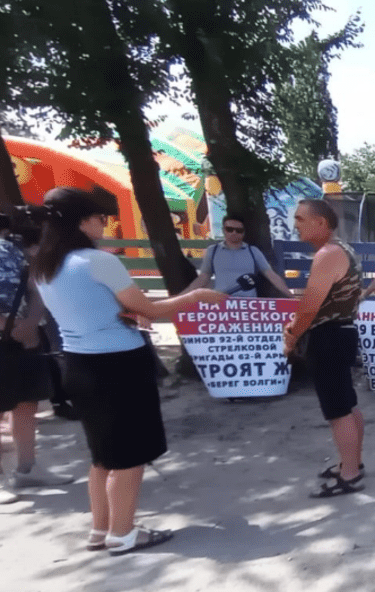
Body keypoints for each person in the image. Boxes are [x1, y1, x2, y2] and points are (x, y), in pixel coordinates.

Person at [32, 187, 226, 554]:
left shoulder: (45, 265)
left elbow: (96, 310)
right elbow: (149, 309)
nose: (103, 224)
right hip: (118, 364)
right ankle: (124, 534)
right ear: (83, 221)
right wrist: (195, 297)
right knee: (130, 457)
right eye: (99, 218)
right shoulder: (97, 261)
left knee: (102, 455)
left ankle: (100, 529)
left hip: (78, 363)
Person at [283, 199, 367, 498]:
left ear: (320, 223)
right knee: (347, 403)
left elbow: (309, 306)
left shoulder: (328, 255)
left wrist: (291, 335)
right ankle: (352, 462)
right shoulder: (342, 249)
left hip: (328, 336)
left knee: (337, 410)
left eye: (301, 218)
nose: (296, 224)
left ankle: (349, 475)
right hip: (342, 333)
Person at [1, 214, 72, 503]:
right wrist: (11, 326)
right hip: (9, 336)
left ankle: (28, 470)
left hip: (25, 338)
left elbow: (36, 286)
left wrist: (30, 323)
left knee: (27, 403)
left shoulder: (16, 252)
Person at [181, 214, 293, 298]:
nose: (234, 233)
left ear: (243, 233)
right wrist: (182, 297)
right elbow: (203, 277)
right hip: (221, 302)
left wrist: (290, 296)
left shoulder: (253, 251)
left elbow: (271, 275)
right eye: (230, 229)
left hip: (248, 304)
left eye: (238, 230)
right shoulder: (213, 251)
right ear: (224, 230)